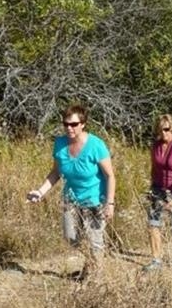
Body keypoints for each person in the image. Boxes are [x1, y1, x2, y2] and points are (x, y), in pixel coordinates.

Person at [26, 104, 116, 280]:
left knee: (95, 242)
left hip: (95, 200)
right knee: (71, 237)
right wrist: (40, 192)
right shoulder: (60, 144)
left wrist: (109, 203)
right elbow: (56, 173)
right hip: (71, 199)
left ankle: (94, 280)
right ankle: (90, 265)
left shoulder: (96, 145)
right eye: (66, 124)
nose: (69, 128)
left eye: (74, 124)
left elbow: (110, 176)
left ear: (83, 124)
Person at [142, 114, 172, 272]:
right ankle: (156, 259)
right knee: (153, 224)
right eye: (161, 130)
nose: (164, 133)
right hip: (157, 188)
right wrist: (151, 188)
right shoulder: (155, 146)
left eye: (167, 129)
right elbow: (153, 168)